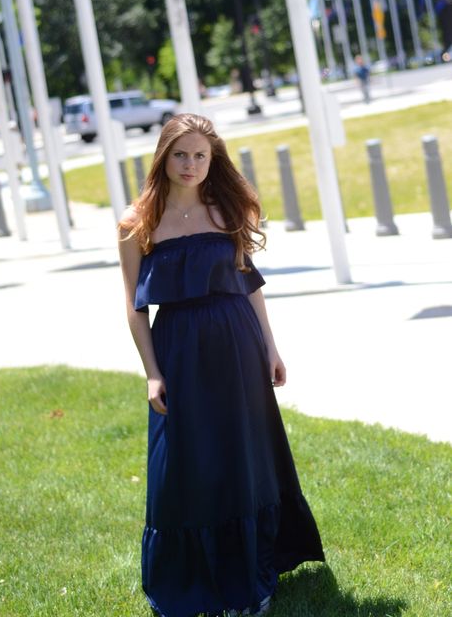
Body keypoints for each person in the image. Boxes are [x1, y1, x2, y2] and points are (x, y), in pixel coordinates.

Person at [118, 114, 324, 617]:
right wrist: (152, 372)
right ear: (163, 157)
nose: (190, 165)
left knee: (243, 458)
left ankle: (252, 575)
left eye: (200, 156)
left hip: (238, 344)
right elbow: (133, 307)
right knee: (184, 465)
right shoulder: (136, 222)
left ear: (213, 160)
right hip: (178, 351)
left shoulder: (226, 209)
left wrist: (271, 349)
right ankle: (192, 578)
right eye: (180, 155)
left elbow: (248, 285)